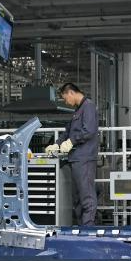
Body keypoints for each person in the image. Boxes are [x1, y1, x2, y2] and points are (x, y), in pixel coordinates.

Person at [45, 82, 99, 225]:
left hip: (85, 158)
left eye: (65, 98)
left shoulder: (88, 106)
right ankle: (81, 227)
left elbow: (89, 130)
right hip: (75, 159)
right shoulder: (77, 110)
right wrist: (56, 144)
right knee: (78, 198)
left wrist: (71, 141)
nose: (66, 102)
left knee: (86, 196)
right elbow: (68, 131)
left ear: (71, 93)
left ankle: (88, 229)